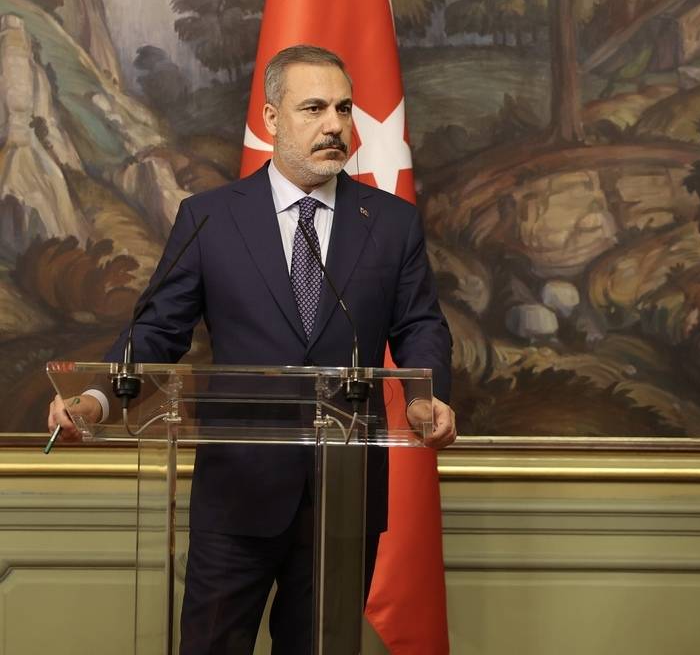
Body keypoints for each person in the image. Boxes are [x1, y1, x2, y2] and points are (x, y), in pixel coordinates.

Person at [46, 44, 455, 654]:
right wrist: (98, 398)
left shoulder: (390, 223)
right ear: (270, 118)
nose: (335, 126)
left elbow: (421, 324)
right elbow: (157, 330)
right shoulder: (209, 219)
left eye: (344, 109)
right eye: (313, 108)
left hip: (342, 504)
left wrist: (428, 396)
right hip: (237, 498)